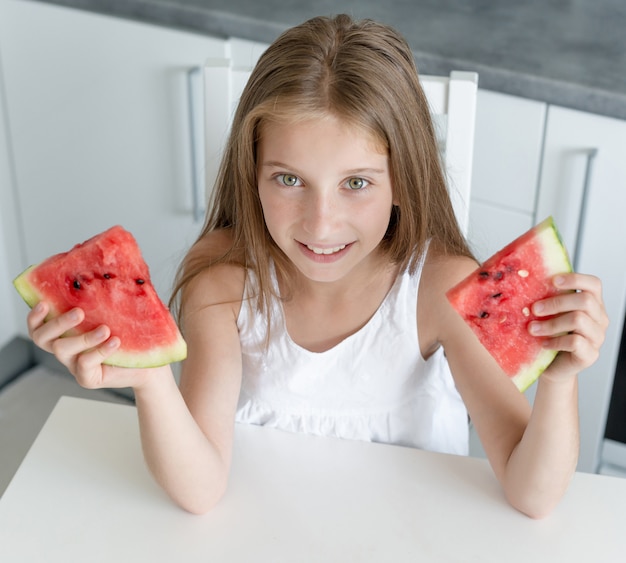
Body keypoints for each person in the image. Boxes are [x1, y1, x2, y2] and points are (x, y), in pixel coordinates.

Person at [27, 14, 607, 518]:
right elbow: (201, 490)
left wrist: (559, 379)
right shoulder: (224, 282)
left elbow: (533, 495)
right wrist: (150, 381)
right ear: (251, 175)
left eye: (356, 183)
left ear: (403, 180)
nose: (321, 223)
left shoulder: (440, 289)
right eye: (288, 180)